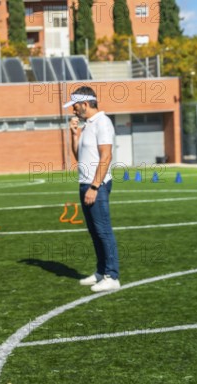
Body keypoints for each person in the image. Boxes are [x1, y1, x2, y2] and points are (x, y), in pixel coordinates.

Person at [64, 85, 120, 292]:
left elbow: (106, 156)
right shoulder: (88, 124)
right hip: (86, 182)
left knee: (103, 230)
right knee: (94, 231)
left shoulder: (102, 123)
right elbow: (79, 157)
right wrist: (74, 135)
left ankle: (112, 276)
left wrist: (95, 186)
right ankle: (101, 271)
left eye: (75, 105)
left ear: (85, 104)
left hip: (97, 185)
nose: (73, 110)